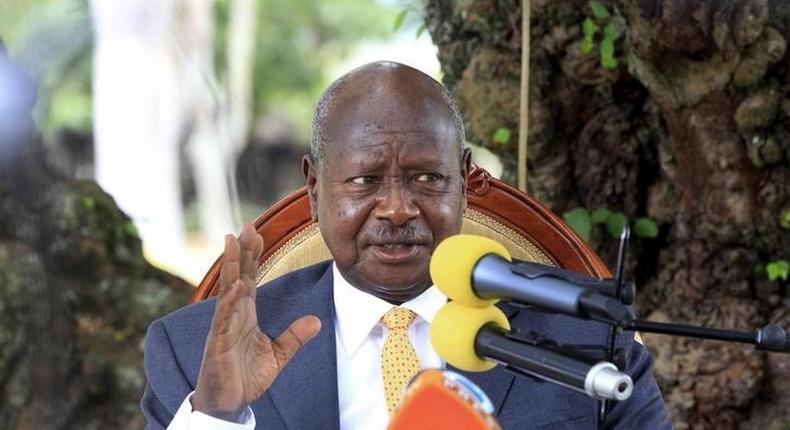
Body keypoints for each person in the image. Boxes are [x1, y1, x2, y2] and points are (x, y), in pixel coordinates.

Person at [141, 61, 672, 429]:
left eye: (426, 178)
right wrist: (218, 416)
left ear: (464, 179)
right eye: (364, 181)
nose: (397, 209)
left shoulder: (585, 335)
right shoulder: (195, 353)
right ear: (313, 186)